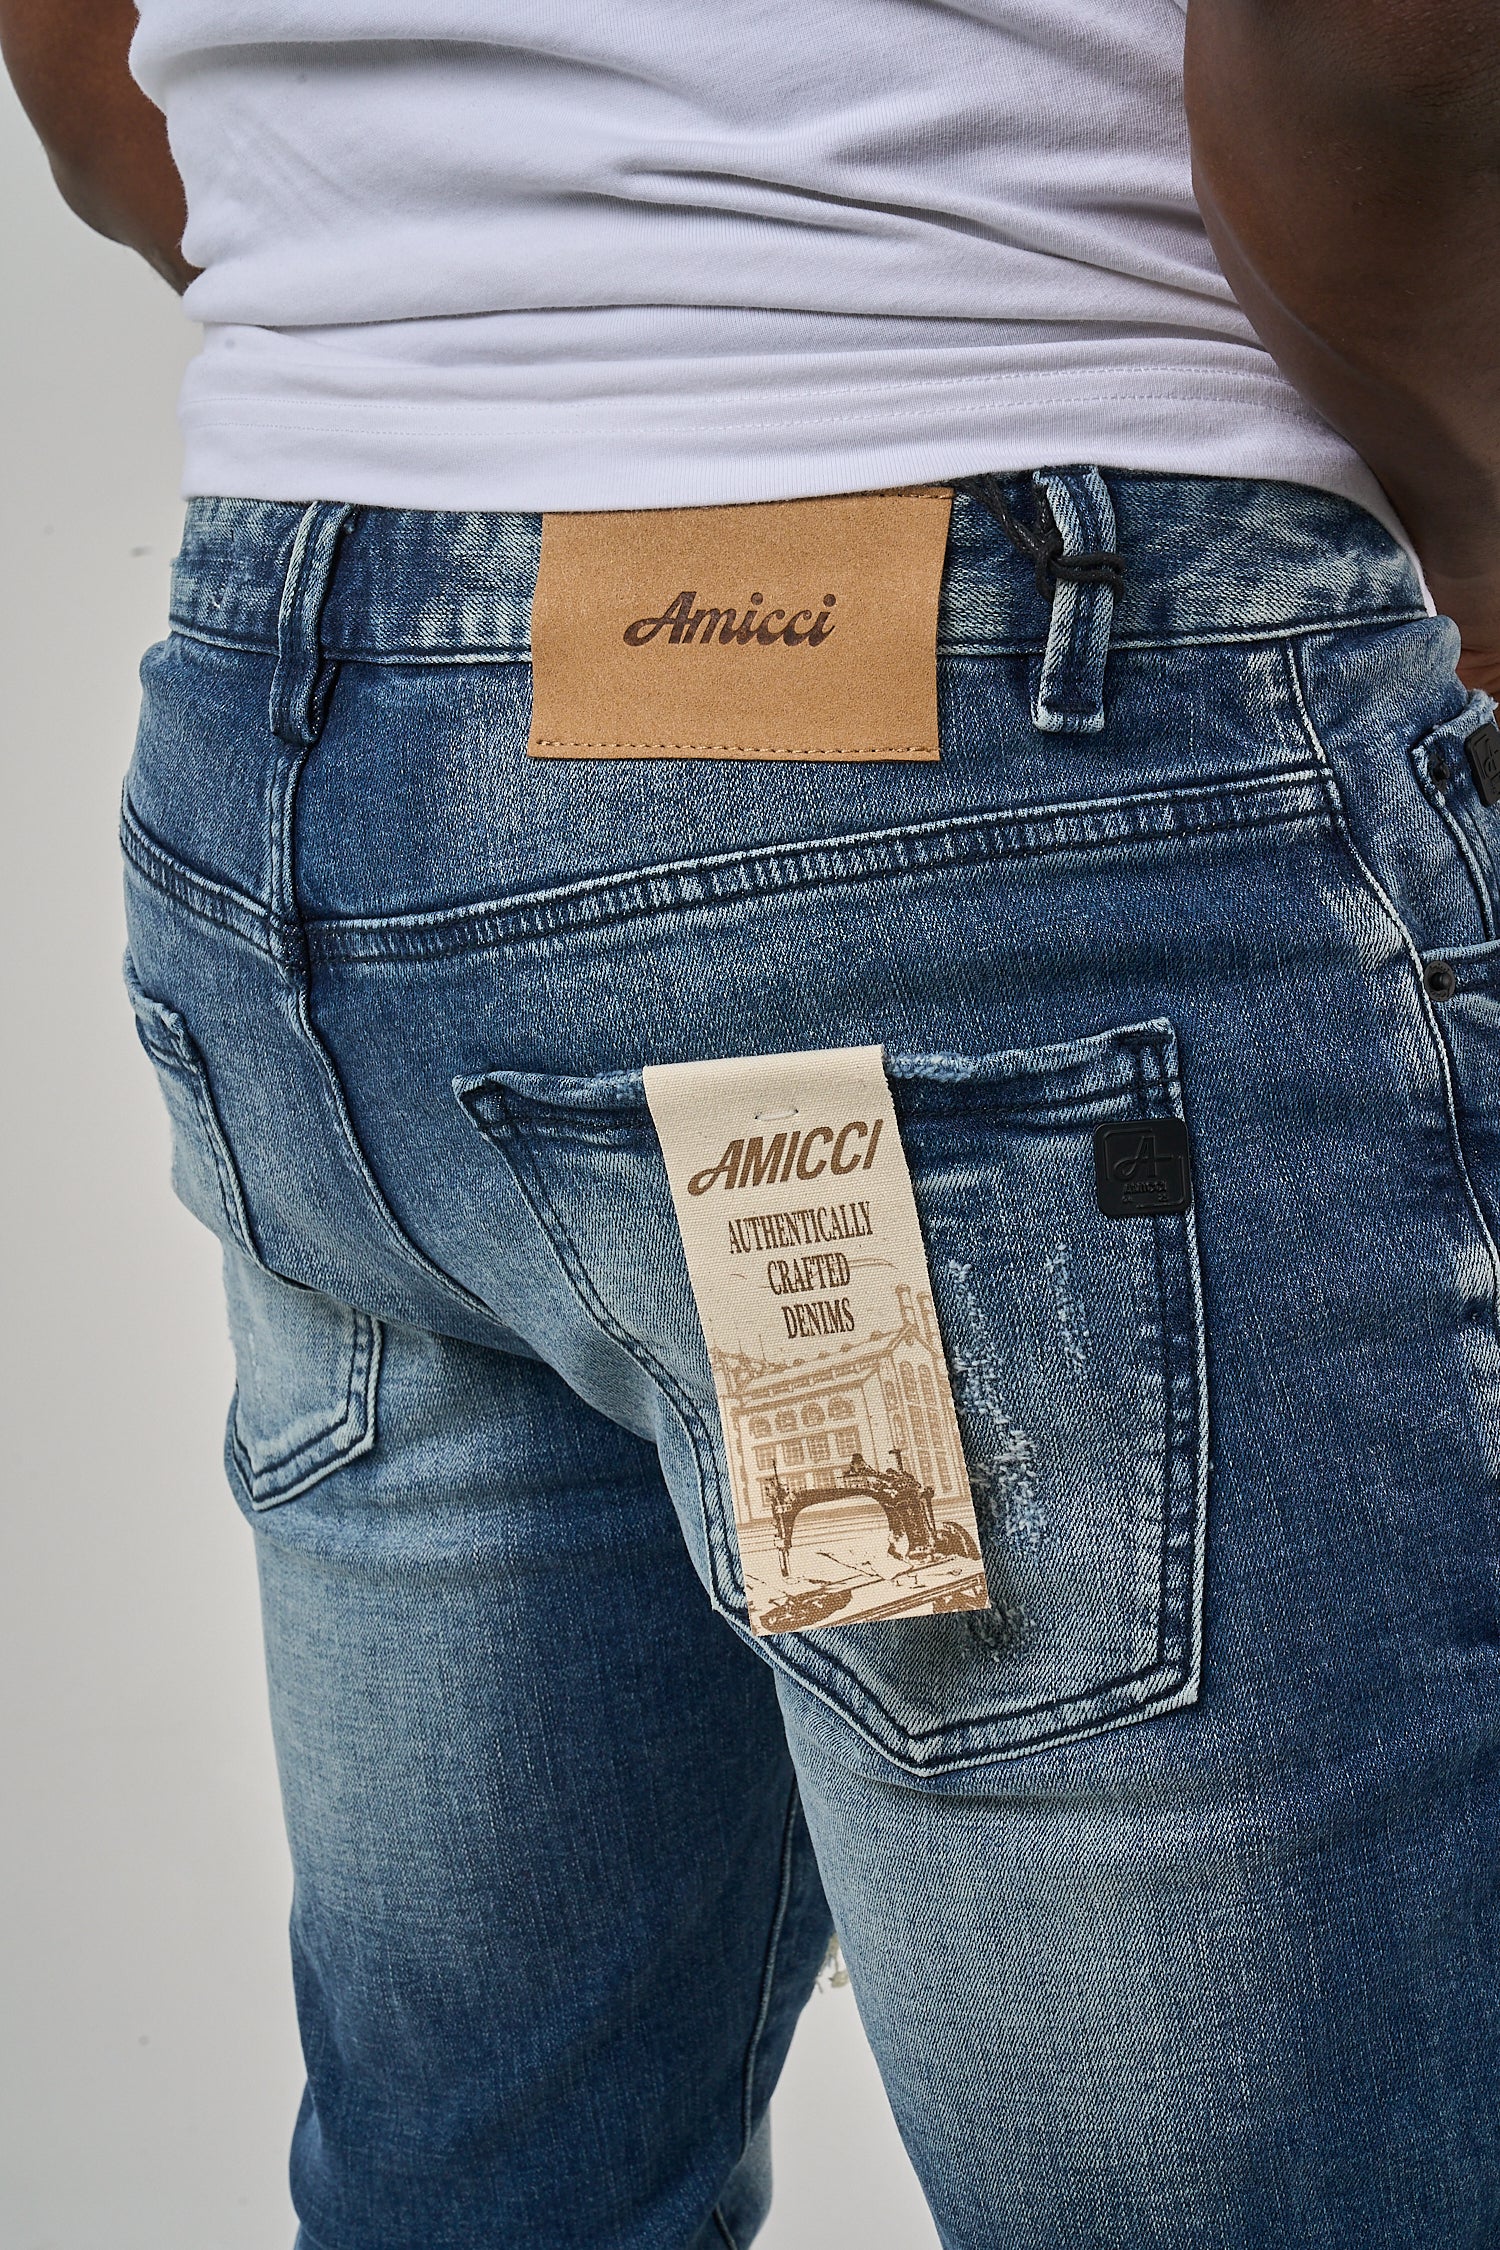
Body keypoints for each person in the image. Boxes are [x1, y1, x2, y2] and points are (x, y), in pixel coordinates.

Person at [3, 3, 1497, 2244]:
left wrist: (439, 357)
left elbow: (82, 62)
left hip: (299, 721)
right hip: (980, 756)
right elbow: (1382, 45)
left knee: (490, 2172)